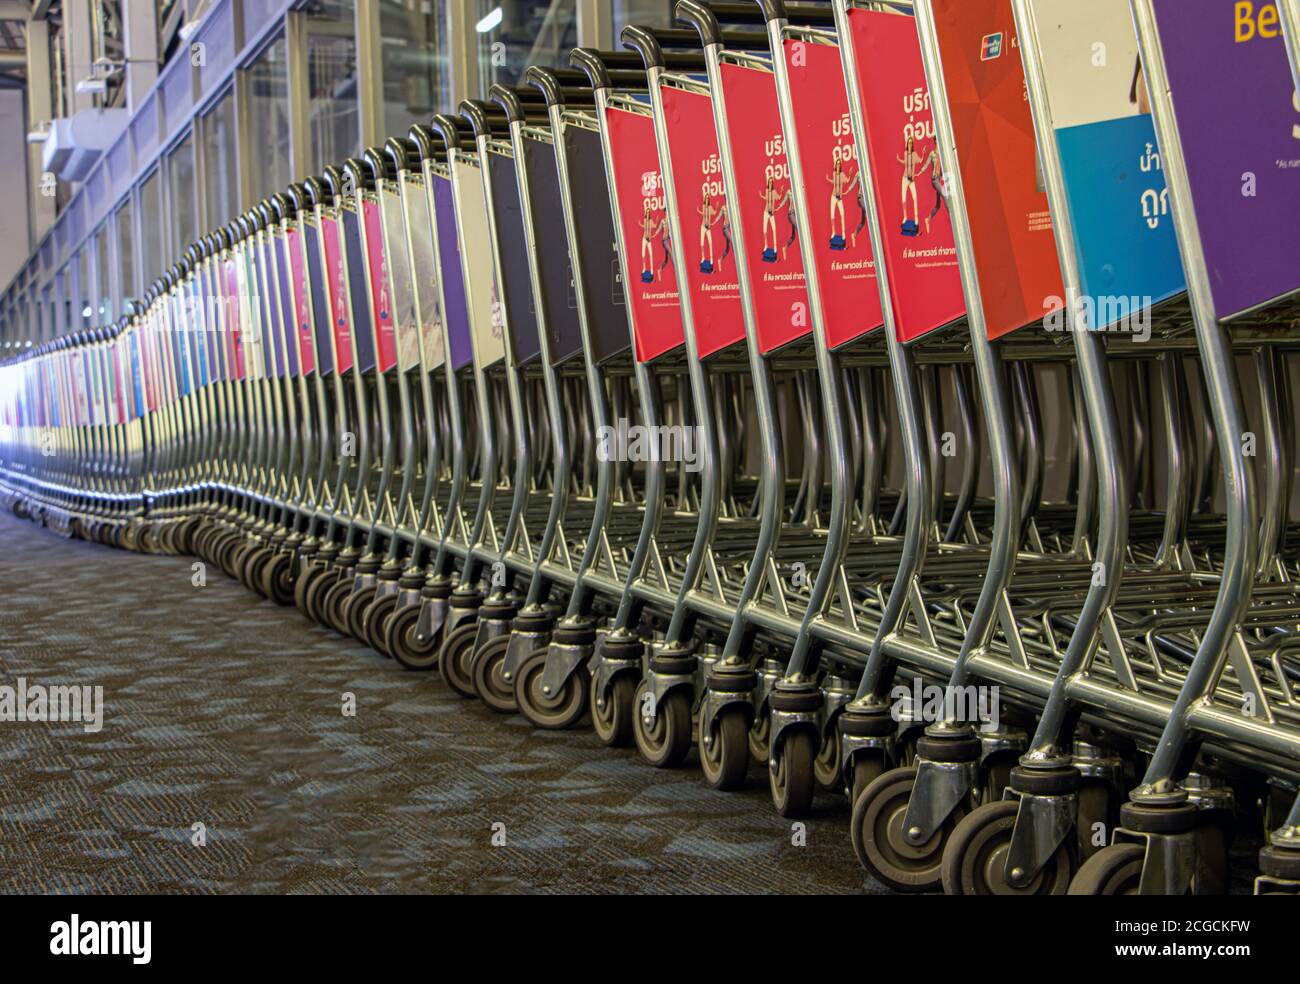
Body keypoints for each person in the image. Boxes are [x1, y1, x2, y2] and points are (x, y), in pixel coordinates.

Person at [826, 156, 859, 245]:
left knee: (842, 214)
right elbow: (834, 182)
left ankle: (843, 232)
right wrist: (828, 179)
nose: (838, 165)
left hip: (839, 197)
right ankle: (833, 232)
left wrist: (850, 174)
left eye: (839, 164)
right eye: (837, 164)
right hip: (833, 196)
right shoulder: (834, 174)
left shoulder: (842, 175)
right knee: (832, 215)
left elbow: (847, 181)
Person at [897, 133, 923, 229]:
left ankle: (916, 217)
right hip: (904, 178)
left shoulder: (914, 154)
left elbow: (920, 160)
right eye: (909, 143)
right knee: (903, 199)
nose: (910, 144)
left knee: (915, 197)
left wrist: (923, 153)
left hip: (911, 179)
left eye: (911, 143)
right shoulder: (905, 153)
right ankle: (905, 217)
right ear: (907, 144)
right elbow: (905, 162)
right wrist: (899, 159)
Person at [919, 146, 946, 235]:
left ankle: (928, 219)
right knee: (944, 195)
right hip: (934, 180)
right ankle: (952, 214)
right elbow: (926, 165)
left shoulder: (942, 154)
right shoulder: (932, 154)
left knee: (938, 205)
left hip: (938, 179)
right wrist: (919, 173)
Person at [639, 200, 664, 280]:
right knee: (643, 254)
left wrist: (656, 220)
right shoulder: (645, 220)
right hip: (644, 239)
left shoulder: (650, 221)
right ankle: (644, 267)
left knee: (650, 254)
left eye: (648, 212)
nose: (647, 213)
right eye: (647, 212)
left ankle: (652, 269)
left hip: (649, 239)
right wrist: (641, 224)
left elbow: (654, 226)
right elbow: (644, 227)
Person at [698, 190, 722, 269]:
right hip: (703, 226)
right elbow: (704, 214)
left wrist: (717, 207)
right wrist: (699, 211)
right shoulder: (703, 207)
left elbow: (714, 213)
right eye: (706, 198)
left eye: (708, 198)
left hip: (708, 227)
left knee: (710, 242)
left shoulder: (710, 207)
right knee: (702, 243)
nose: (707, 199)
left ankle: (711, 258)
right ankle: (703, 257)